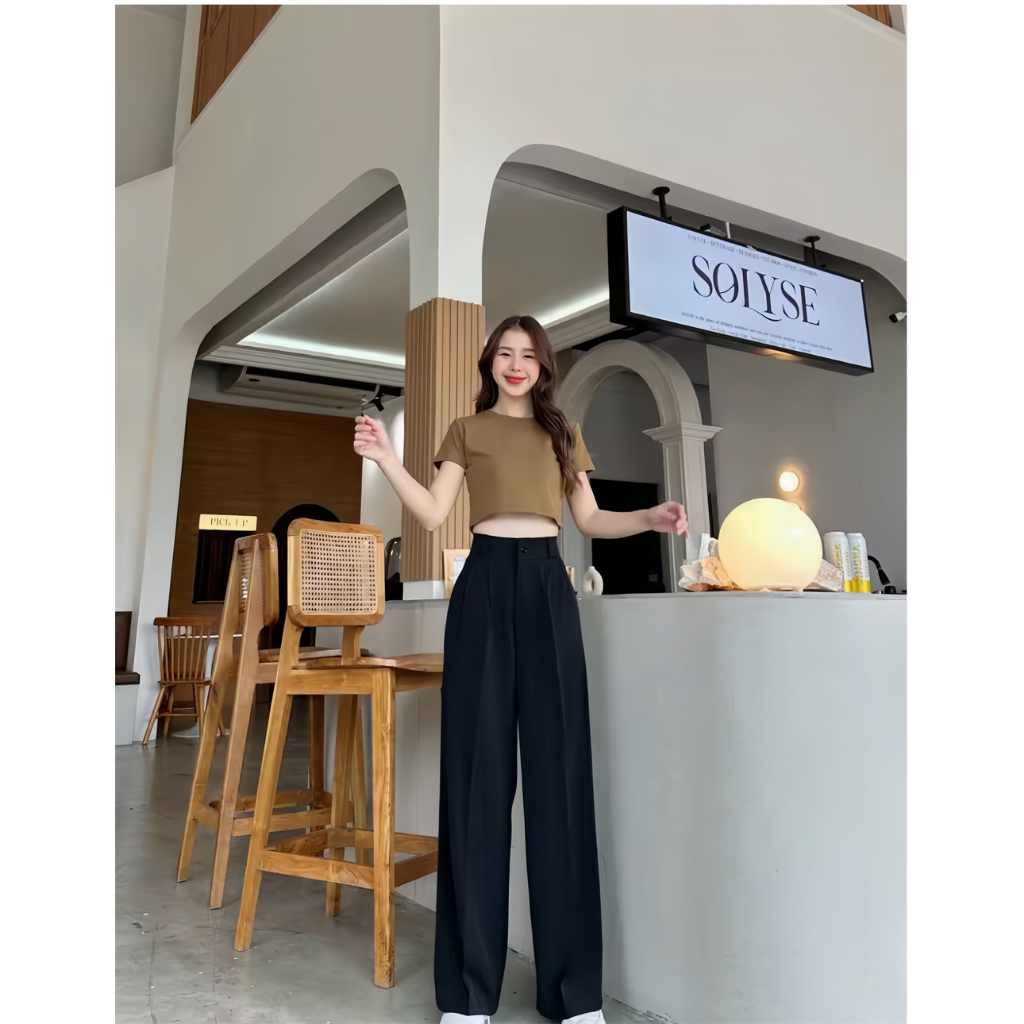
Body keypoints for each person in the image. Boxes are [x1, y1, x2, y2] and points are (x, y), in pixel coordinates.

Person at [353, 315, 688, 1024]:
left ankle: (573, 996)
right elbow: (434, 511)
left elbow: (589, 519)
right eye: (504, 354)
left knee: (559, 780)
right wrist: (386, 459)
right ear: (490, 363)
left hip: (547, 587)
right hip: (482, 585)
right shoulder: (466, 431)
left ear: (542, 366)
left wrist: (648, 518)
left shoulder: (562, 434)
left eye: (527, 355)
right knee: (476, 781)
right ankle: (468, 996)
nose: (515, 364)